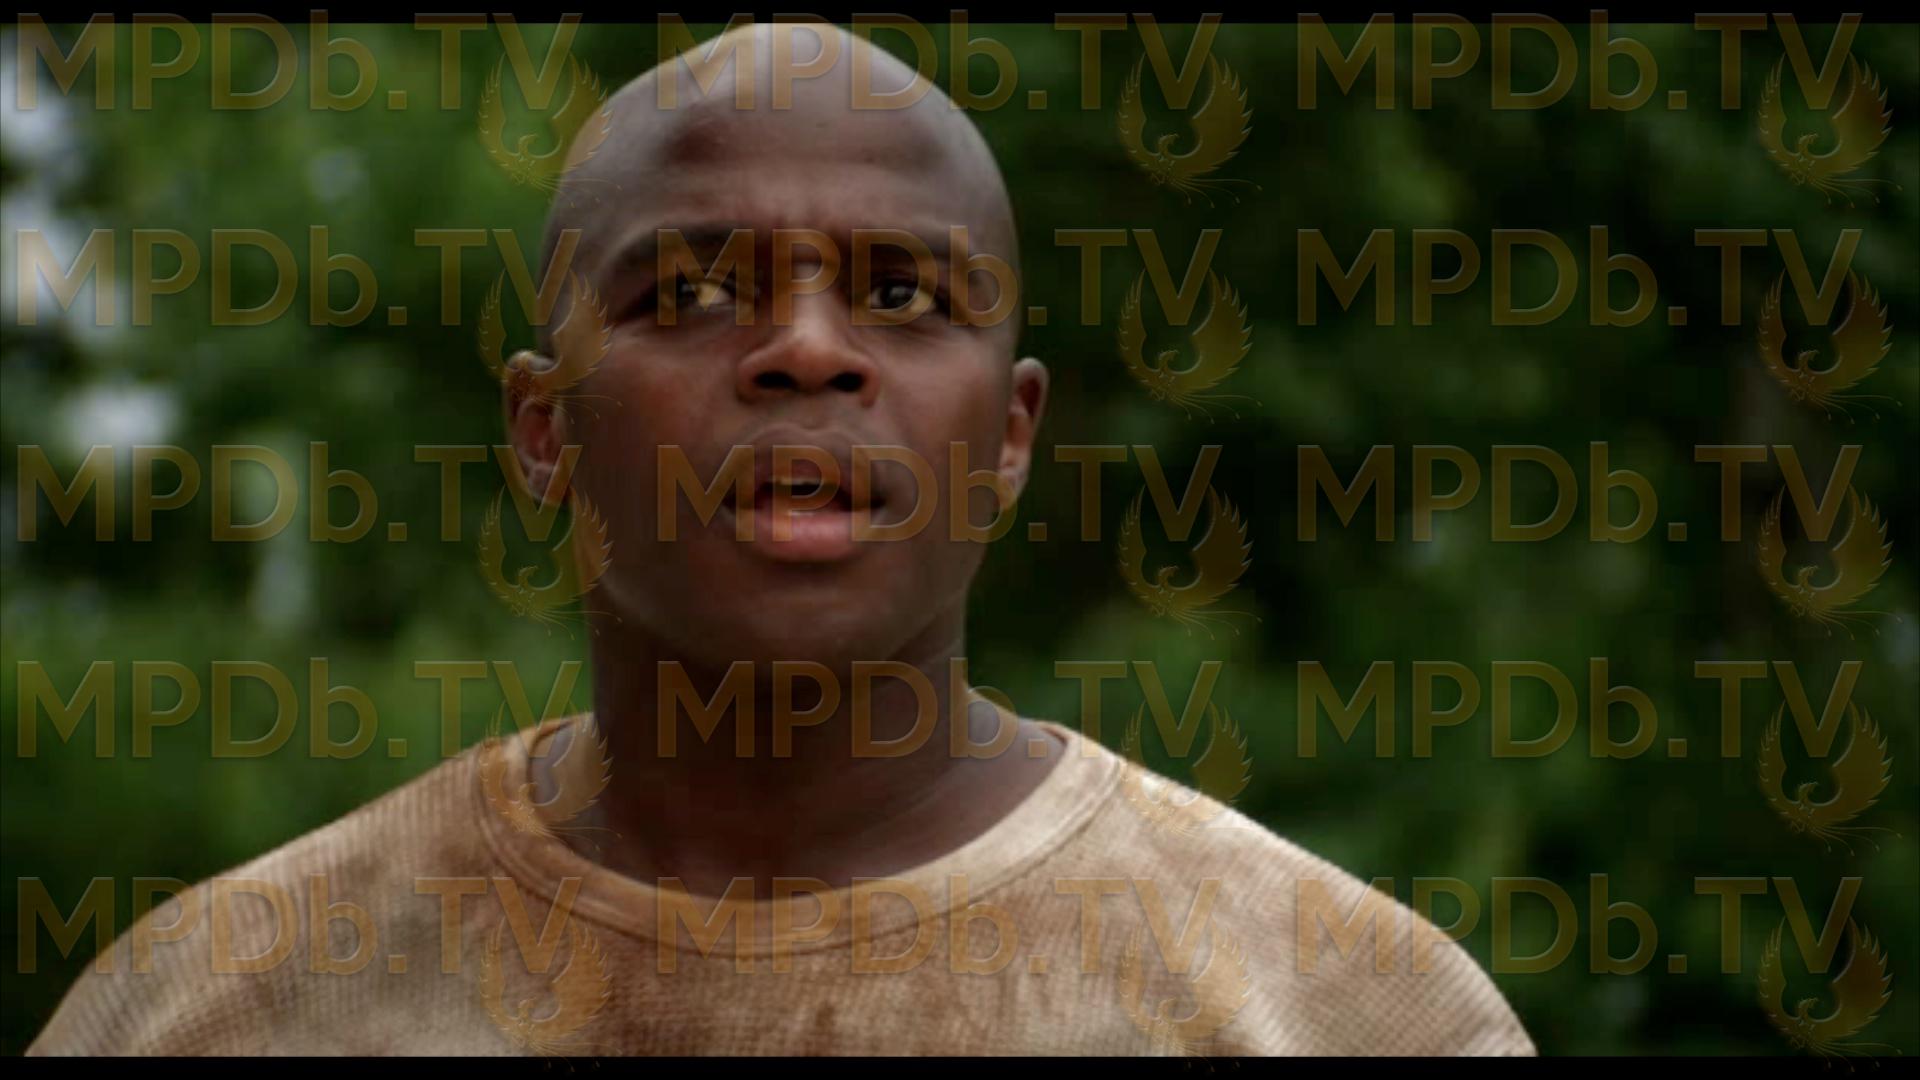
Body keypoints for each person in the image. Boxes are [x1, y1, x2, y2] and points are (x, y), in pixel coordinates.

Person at [28, 22, 1535, 1056]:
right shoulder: (225, 1001)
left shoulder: (1333, 1006)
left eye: (902, 296)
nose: (808, 352)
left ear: (1010, 438)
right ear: (545, 433)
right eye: (690, 294)